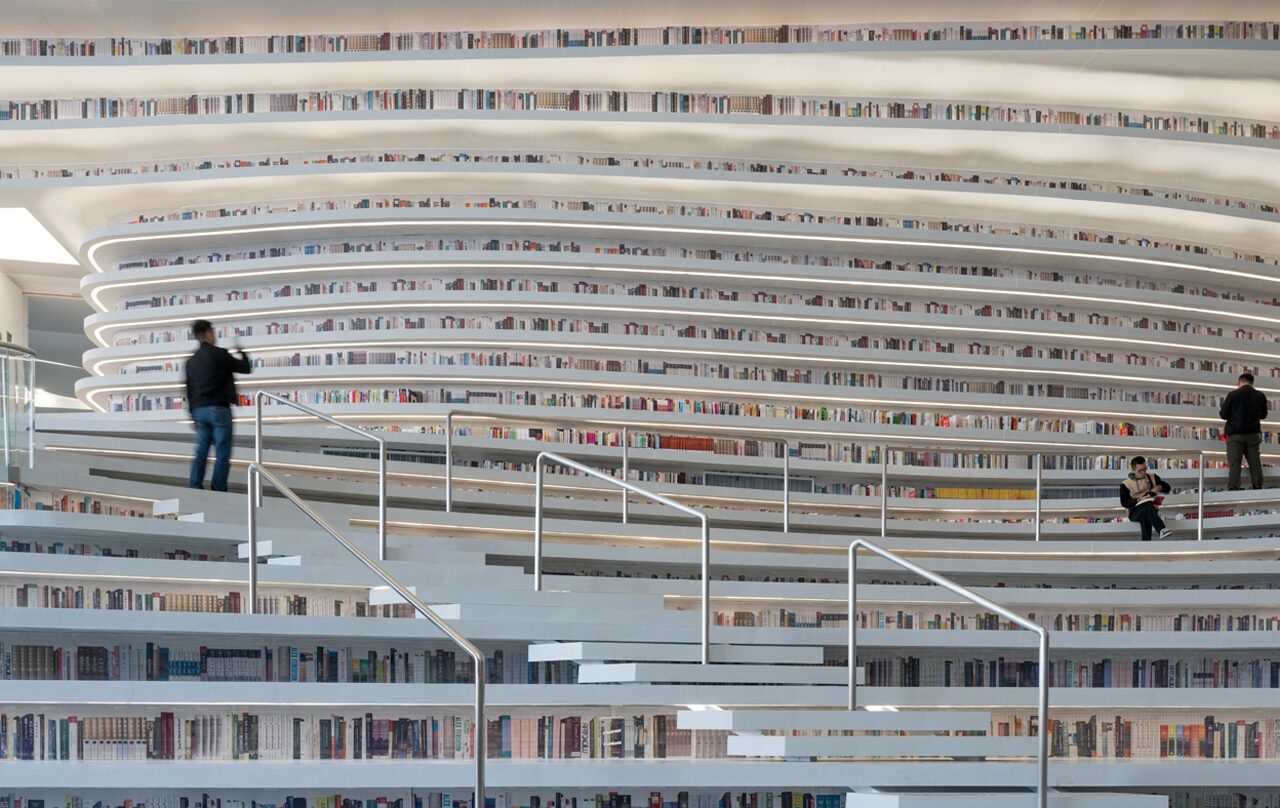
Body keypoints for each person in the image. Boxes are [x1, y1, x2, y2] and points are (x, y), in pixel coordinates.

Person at [184, 319, 251, 492]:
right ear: (207, 333)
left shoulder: (191, 362)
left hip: (199, 411)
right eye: (213, 332)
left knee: (201, 451)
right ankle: (218, 488)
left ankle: (194, 484)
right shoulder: (220, 354)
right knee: (222, 451)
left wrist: (192, 414)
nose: (215, 336)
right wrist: (241, 352)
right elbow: (245, 368)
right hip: (219, 410)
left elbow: (189, 390)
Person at [1218, 372, 1268, 490]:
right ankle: (1258, 486)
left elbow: (1223, 415)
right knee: (1255, 462)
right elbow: (1264, 415)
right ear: (1252, 383)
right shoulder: (1260, 395)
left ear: (1239, 382)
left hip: (1235, 435)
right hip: (1253, 434)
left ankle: (1234, 487)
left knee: (1235, 463)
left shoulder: (1233, 395)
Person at [1119, 456, 1172, 541]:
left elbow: (1167, 487)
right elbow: (1124, 503)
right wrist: (1139, 499)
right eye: (1140, 470)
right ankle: (1161, 529)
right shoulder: (1125, 484)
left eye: (1145, 468)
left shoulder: (1152, 477)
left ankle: (1146, 543)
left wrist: (1158, 487)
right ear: (1133, 470)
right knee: (1146, 506)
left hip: (1150, 508)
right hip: (1134, 512)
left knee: (1145, 514)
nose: (1143, 472)